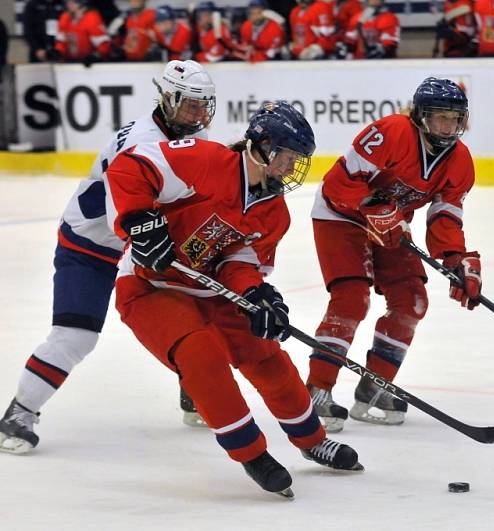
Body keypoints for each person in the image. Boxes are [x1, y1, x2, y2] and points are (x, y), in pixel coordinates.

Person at [105, 101, 363, 496]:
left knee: (266, 353)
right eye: (284, 157)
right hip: (150, 287)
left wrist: (257, 294)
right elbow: (129, 166)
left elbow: (240, 261)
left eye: (296, 161)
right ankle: (251, 453)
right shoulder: (204, 160)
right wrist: (140, 220)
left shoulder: (274, 211)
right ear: (259, 146)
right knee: (200, 354)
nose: (288, 169)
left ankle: (312, 440)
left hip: (211, 289)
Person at [0, 60, 216, 455]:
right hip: (90, 243)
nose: (200, 115)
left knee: (200, 314)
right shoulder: (142, 143)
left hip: (132, 242)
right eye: (191, 105)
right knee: (75, 335)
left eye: (205, 106)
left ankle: (194, 391)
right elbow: (128, 213)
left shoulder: (181, 132)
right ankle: (20, 412)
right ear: (168, 99)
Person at [306, 77, 482, 432]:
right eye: (439, 118)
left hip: (389, 223)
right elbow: (340, 183)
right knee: (351, 298)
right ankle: (316, 390)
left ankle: (374, 387)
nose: (447, 127)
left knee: (412, 299)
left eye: (454, 118)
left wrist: (456, 260)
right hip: (340, 214)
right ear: (420, 116)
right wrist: (372, 204)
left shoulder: (460, 161)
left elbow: (445, 217)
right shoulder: (391, 132)